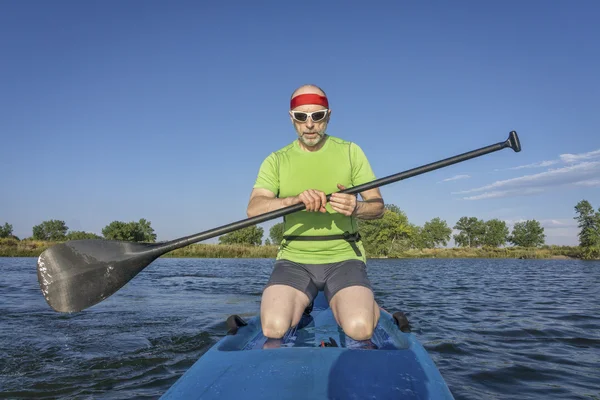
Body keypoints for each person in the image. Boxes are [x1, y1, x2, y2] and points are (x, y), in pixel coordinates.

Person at [246, 84, 385, 344]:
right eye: (301, 116)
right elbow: (254, 209)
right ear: (292, 119)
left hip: (344, 257)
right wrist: (293, 199)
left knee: (360, 329)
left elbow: (377, 206)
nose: (309, 124)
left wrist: (357, 207)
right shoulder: (276, 160)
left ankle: (368, 305)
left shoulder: (351, 151)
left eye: (317, 116)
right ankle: (304, 303)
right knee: (273, 329)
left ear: (328, 116)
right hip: (294, 258)